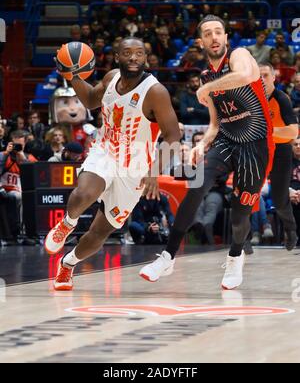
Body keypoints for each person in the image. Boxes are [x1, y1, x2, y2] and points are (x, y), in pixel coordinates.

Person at [140, 14, 275, 289]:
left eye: (218, 32)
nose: (214, 37)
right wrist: (201, 145)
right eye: (208, 34)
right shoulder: (206, 76)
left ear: (225, 37)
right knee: (196, 186)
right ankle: (168, 256)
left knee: (240, 214)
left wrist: (207, 88)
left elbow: (245, 75)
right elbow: (215, 123)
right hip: (226, 140)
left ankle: (236, 256)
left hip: (257, 143)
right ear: (201, 42)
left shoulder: (239, 55)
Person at [45, 37, 180, 291]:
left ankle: (68, 263)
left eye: (139, 53)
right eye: (127, 53)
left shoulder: (155, 92)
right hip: (105, 151)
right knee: (85, 192)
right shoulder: (110, 79)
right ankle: (67, 223)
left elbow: (173, 136)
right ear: (117, 57)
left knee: (99, 232)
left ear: (146, 58)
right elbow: (91, 101)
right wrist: (72, 75)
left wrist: (154, 171)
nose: (133, 57)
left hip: (136, 167)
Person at [250, 64, 298, 251]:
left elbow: (293, 132)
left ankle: (290, 229)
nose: (261, 79)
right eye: (258, 76)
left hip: (280, 150)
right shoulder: (249, 100)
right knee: (248, 193)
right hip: (256, 150)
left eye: (265, 75)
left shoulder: (281, 99)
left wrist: (268, 131)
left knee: (279, 199)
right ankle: (243, 239)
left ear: (273, 78)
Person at [290, 137, 300, 245]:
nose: (298, 146)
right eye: (295, 144)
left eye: (299, 144)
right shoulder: (286, 162)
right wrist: (290, 192)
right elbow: (281, 182)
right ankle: (292, 237)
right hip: (290, 194)